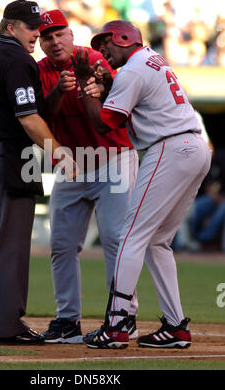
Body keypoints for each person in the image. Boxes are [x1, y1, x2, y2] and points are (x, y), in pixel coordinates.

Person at [72, 20, 211, 349]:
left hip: (170, 148)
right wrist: (108, 84)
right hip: (193, 147)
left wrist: (84, 84)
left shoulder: (133, 69)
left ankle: (117, 323)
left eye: (106, 42)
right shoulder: (150, 61)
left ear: (124, 38)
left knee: (131, 236)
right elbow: (132, 103)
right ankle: (176, 326)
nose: (102, 50)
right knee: (157, 241)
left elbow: (105, 123)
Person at [0, 0, 77, 346]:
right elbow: (28, 117)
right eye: (30, 26)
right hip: (8, 157)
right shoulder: (18, 59)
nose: (38, 33)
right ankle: (7, 326)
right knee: (10, 243)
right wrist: (59, 152)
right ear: (10, 26)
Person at [37, 9, 139, 344]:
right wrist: (58, 93)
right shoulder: (39, 71)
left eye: (59, 34)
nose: (54, 42)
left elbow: (115, 100)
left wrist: (89, 82)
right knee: (61, 244)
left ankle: (121, 317)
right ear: (39, 42)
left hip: (114, 158)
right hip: (73, 162)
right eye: (47, 37)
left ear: (71, 34)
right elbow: (41, 117)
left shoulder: (92, 57)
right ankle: (67, 320)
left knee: (114, 240)